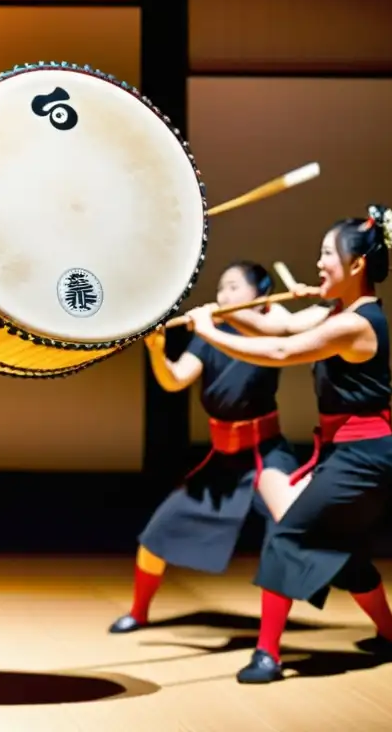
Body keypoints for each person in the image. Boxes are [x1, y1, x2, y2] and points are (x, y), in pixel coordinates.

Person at [186, 204, 392, 683]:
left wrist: (208, 332)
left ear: (356, 265)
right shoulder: (339, 311)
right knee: (344, 553)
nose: (319, 261)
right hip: (347, 455)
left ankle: (268, 654)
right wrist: (230, 317)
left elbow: (282, 351)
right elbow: (277, 327)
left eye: (328, 253)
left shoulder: (355, 322)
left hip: (363, 459)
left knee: (287, 535)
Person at [109, 263, 299, 634]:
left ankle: (276, 640)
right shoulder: (210, 333)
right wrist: (157, 350)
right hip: (222, 459)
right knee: (156, 534)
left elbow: (282, 330)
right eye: (221, 288)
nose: (222, 296)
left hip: (265, 453)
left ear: (260, 296)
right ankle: (139, 611)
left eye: (232, 287)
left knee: (297, 531)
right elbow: (176, 380)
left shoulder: (268, 328)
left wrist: (272, 309)